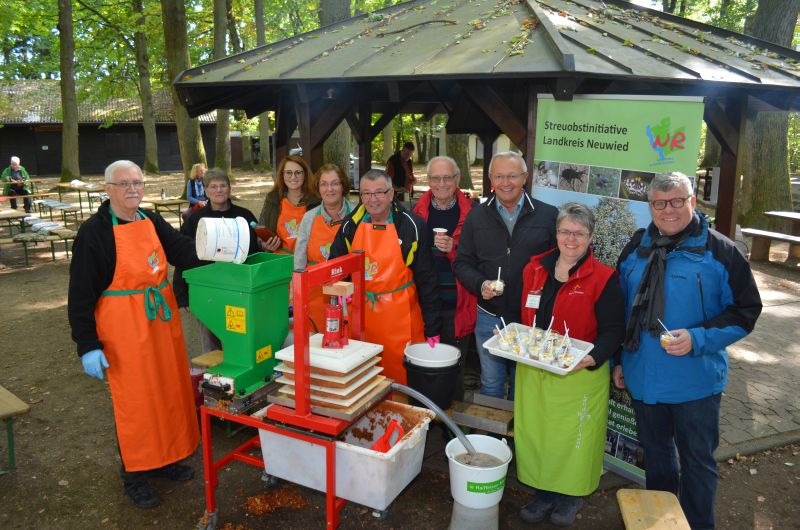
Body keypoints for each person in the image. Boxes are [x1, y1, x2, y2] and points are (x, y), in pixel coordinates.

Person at [613, 172, 762, 530]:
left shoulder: (721, 251)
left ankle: (697, 524)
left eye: (678, 200)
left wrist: (697, 338)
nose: (669, 210)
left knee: (697, 463)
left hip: (694, 383)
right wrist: (618, 359)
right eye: (660, 203)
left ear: (693, 201)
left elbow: (746, 311)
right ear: (650, 206)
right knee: (659, 460)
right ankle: (662, 522)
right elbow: (620, 308)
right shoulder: (637, 245)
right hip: (644, 378)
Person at [67, 160, 202, 509]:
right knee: (137, 403)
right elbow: (80, 295)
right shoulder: (93, 233)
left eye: (137, 182)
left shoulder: (151, 219)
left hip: (161, 324)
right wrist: (87, 344)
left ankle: (167, 458)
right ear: (107, 188)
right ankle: (134, 473)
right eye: (123, 183)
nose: (132, 189)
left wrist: (220, 251)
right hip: (123, 331)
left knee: (169, 391)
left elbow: (182, 251)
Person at [516, 202, 625, 527]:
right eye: (565, 231)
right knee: (538, 434)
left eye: (579, 233)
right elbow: (522, 316)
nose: (571, 239)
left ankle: (570, 497)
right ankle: (543, 493)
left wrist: (591, 358)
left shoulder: (603, 278)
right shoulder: (534, 269)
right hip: (535, 370)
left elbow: (614, 330)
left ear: (590, 236)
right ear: (556, 232)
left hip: (579, 373)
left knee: (573, 439)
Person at [454, 151, 557, 400]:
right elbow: (462, 263)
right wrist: (481, 284)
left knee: (524, 386)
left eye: (512, 176)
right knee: (491, 384)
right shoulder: (476, 216)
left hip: (530, 318)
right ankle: (494, 440)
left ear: (525, 177)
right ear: (491, 179)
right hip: (490, 315)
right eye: (499, 176)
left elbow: (558, 264)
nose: (505, 183)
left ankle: (518, 439)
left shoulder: (548, 215)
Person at [329, 169, 441, 385]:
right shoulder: (349, 226)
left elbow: (428, 282)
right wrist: (345, 290)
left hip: (401, 318)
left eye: (379, 192)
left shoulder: (412, 226)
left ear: (391, 194)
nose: (373, 199)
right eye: (366, 194)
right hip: (361, 319)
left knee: (402, 381)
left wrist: (433, 329)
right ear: (360, 196)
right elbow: (335, 265)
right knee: (363, 380)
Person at [173, 168, 264, 353]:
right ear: (206, 191)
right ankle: (215, 379)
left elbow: (255, 252)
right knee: (210, 340)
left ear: (229, 189)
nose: (219, 190)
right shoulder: (194, 219)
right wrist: (181, 295)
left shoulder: (244, 216)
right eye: (213, 187)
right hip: (206, 290)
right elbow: (183, 257)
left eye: (223, 185)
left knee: (241, 336)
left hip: (239, 288)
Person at [411, 156, 477, 398]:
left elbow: (481, 259)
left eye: (447, 177)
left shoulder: (473, 214)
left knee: (453, 369)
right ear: (428, 180)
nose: (441, 183)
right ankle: (429, 422)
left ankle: (453, 427)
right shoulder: (416, 212)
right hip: (423, 305)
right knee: (424, 366)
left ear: (457, 179)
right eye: (436, 178)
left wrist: (454, 250)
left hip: (457, 305)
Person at [294, 163, 355, 332]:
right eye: (324, 184)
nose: (330, 189)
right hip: (315, 293)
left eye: (335, 183)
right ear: (318, 188)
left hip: (349, 292)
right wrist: (298, 293)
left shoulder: (357, 214)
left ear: (343, 186)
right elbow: (299, 260)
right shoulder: (309, 218)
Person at [258, 155, 320, 254]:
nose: (293, 177)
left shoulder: (317, 200)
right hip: (278, 262)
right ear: (282, 175)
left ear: (305, 175)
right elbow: (261, 228)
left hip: (308, 262)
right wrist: (264, 244)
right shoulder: (273, 198)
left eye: (298, 173)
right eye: (288, 173)